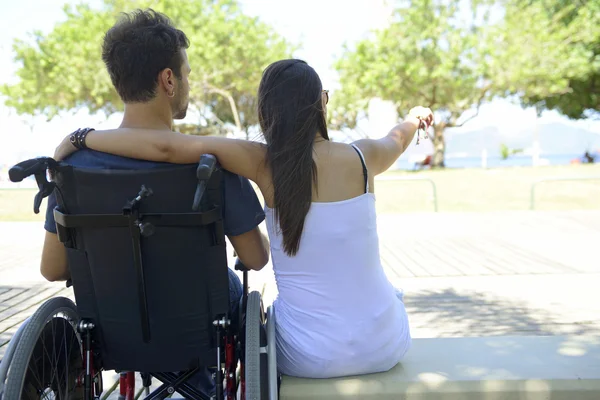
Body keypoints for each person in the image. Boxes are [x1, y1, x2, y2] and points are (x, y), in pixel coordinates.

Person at [54, 58, 434, 379]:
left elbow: (167, 147)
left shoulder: (262, 162)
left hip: (307, 357)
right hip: (385, 346)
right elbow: (396, 139)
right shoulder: (364, 157)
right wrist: (415, 119)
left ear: (267, 111)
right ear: (322, 103)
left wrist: (82, 138)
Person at [42, 9, 269, 395]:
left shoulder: (72, 167)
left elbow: (52, 268)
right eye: (187, 73)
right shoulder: (211, 164)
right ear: (168, 79)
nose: (188, 82)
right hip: (200, 328)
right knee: (235, 289)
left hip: (113, 327)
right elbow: (256, 259)